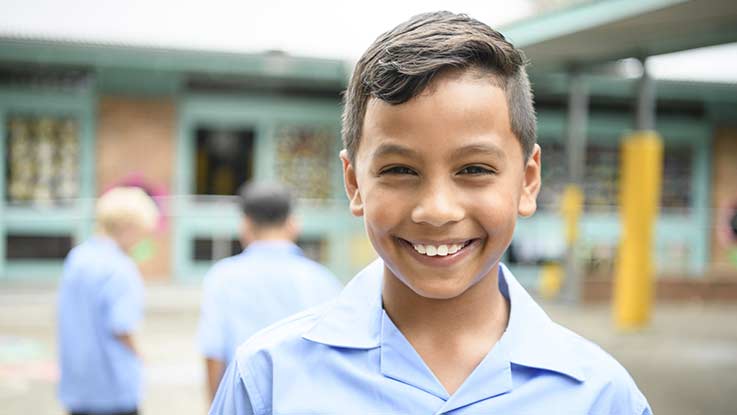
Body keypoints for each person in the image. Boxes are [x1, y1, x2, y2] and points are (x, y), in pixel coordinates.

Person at [209, 11, 652, 414]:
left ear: (528, 180)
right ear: (354, 182)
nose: (437, 211)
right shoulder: (268, 379)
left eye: (475, 169)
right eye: (399, 169)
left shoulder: (601, 396)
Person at [198, 181, 342, 402]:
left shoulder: (222, 277)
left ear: (245, 225)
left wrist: (214, 406)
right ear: (293, 224)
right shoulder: (322, 279)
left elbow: (213, 351)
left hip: (242, 401)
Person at [58, 187, 159, 415]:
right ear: (129, 227)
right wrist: (142, 354)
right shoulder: (121, 268)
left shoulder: (78, 257)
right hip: (113, 390)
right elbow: (122, 327)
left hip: (77, 386)